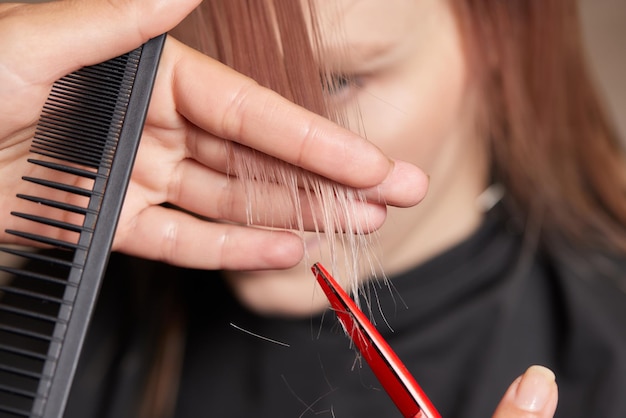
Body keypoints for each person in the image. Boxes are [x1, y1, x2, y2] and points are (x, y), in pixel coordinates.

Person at [1, 0, 621, 418]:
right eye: (204, 78)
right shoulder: (57, 310)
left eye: (337, 82)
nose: (254, 161)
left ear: (497, 34)